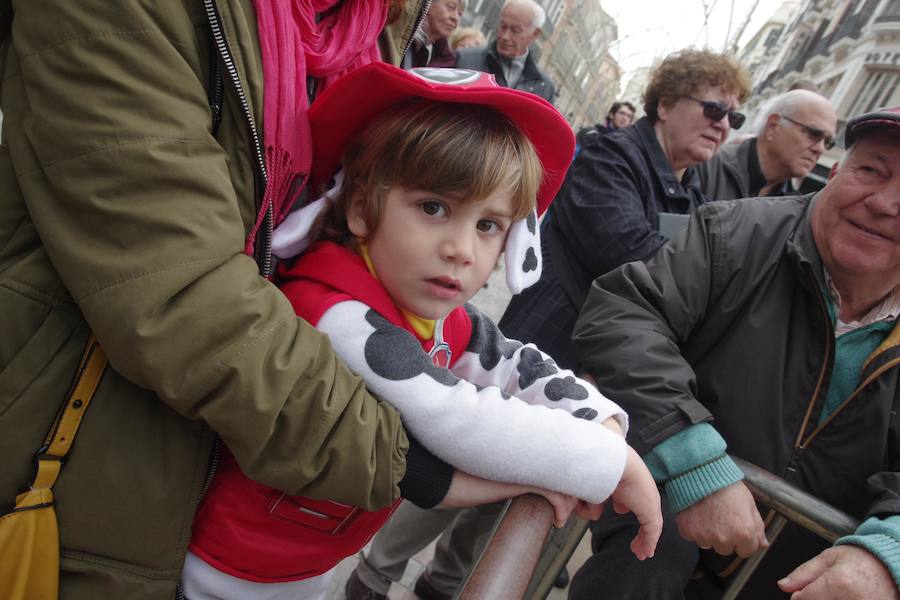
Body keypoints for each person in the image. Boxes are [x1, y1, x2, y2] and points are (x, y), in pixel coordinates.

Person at [0, 1, 486, 598]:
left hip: (231, 486)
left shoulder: (369, 33)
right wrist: (417, 459)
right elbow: (184, 289)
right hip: (81, 452)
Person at [186, 64, 662, 600]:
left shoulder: (433, 313)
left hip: (307, 560)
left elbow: (511, 360)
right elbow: (453, 416)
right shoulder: (334, 310)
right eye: (434, 208)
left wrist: (596, 414)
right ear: (363, 207)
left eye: (488, 226)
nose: (463, 248)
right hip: (229, 570)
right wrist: (606, 462)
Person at [569, 105, 900, 599]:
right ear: (836, 172)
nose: (886, 204)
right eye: (872, 170)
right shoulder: (736, 233)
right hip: (660, 527)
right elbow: (624, 315)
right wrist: (693, 460)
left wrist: (889, 552)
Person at [499, 49, 750, 370]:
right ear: (666, 104)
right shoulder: (609, 156)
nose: (724, 125)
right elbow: (631, 255)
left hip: (606, 369)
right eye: (714, 109)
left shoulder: (695, 192)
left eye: (734, 117)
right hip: (545, 352)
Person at [697, 89, 837, 200]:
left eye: (827, 142)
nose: (820, 148)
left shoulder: (794, 209)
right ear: (773, 125)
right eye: (813, 134)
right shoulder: (706, 168)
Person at [455, 0, 556, 102]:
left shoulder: (544, 87)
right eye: (503, 27)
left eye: (515, 30)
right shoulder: (465, 59)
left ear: (535, 34)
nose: (505, 36)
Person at [402, 0, 464, 68]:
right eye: (451, 7)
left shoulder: (445, 60)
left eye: (460, 14)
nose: (456, 18)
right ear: (428, 4)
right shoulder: (400, 36)